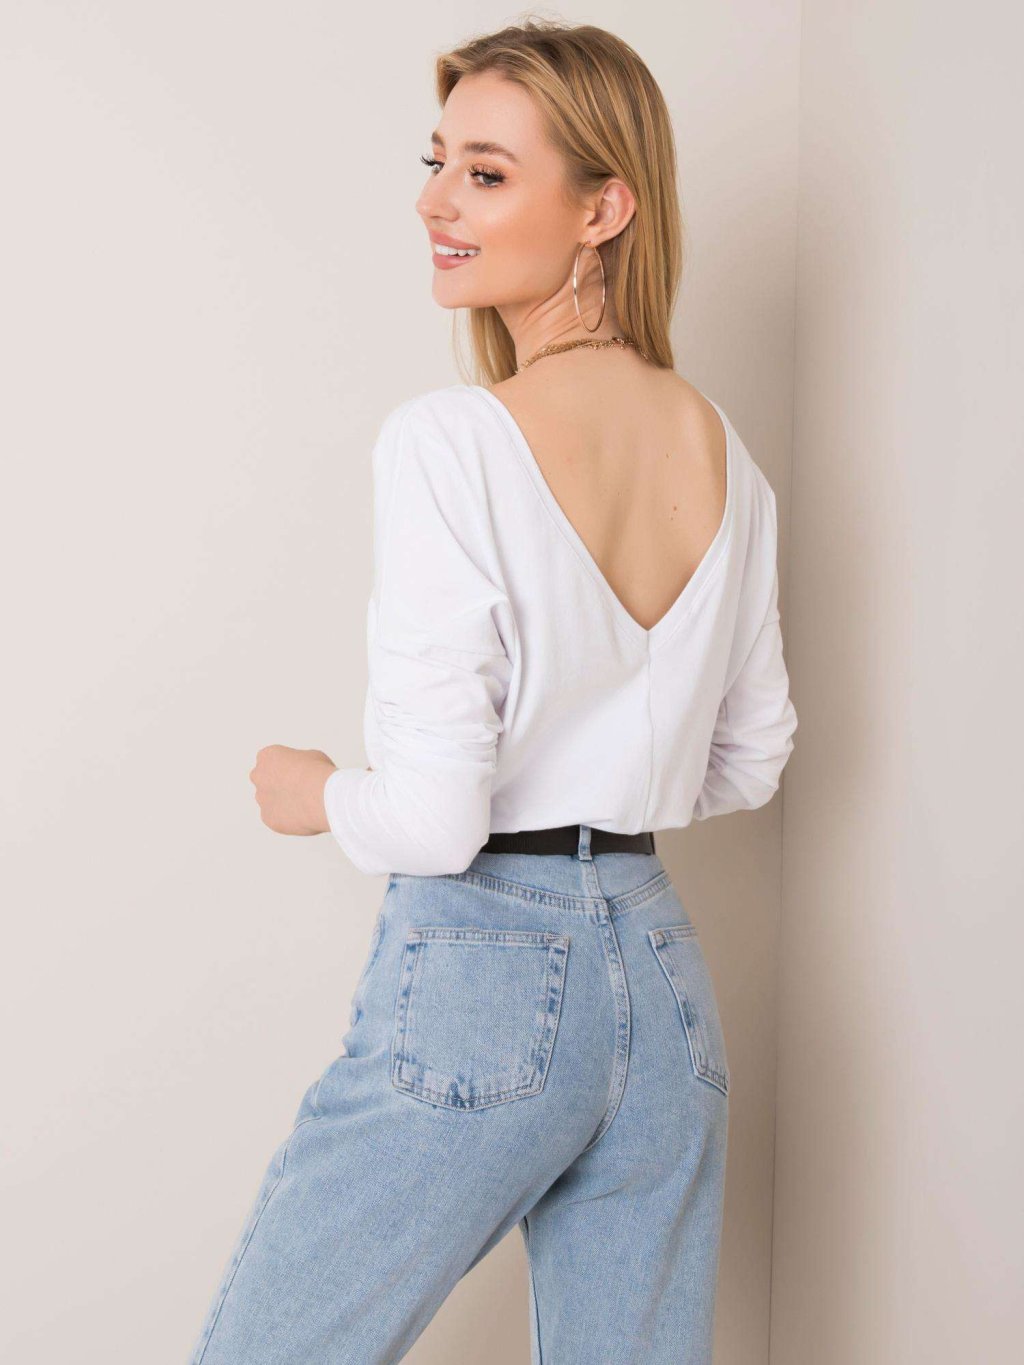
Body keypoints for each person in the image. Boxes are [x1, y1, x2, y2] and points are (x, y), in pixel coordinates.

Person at [190, 18, 797, 1365]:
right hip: (659, 968)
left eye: (485, 173)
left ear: (603, 209)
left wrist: (314, 793)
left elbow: (435, 818)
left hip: (487, 969)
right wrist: (604, 771)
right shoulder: (724, 456)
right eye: (439, 164)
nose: (435, 203)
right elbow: (751, 758)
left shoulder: (452, 441)